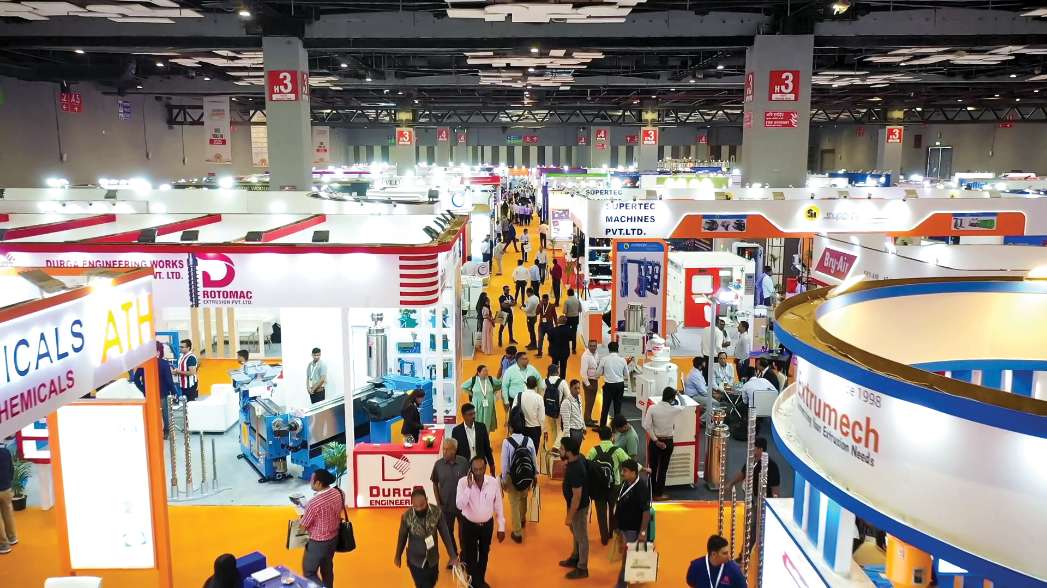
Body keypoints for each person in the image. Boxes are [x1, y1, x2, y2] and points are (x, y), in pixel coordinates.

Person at [456, 456, 506, 588]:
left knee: (484, 554)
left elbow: (499, 505)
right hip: (468, 525)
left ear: (485, 468)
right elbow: (460, 505)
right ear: (470, 470)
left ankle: (480, 580)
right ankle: (474, 583)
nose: (478, 472)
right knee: (470, 556)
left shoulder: (493, 483)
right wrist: (468, 487)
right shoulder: (462, 483)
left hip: (487, 526)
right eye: (475, 469)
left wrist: (501, 527)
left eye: (481, 469)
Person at [395, 487, 459, 588]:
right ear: (412, 504)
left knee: (432, 582)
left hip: (433, 559)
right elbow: (402, 537)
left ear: (427, 500)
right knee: (423, 585)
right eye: (416, 506)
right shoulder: (406, 517)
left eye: (422, 505)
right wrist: (398, 556)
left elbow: (445, 534)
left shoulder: (437, 512)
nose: (419, 508)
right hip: (415, 561)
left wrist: (452, 555)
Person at [586, 426, 630, 545]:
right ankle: (612, 533)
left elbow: (586, 464)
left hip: (598, 486)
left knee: (601, 512)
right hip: (614, 485)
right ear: (611, 436)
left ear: (599, 437)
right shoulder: (617, 450)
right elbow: (629, 462)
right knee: (614, 510)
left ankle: (604, 537)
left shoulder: (594, 450)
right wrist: (644, 469)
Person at [300, 469, 343, 588]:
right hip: (334, 539)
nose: (310, 482)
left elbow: (303, 526)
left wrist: (303, 515)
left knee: (309, 573)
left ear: (318, 483)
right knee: (327, 569)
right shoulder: (338, 493)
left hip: (318, 543)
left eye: (311, 480)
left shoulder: (313, 503)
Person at [613, 459, 652, 588]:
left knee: (627, 557)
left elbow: (646, 511)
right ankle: (634, 577)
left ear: (634, 473)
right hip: (623, 526)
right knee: (626, 555)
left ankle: (622, 584)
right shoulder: (625, 483)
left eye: (625, 471)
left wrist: (642, 532)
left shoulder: (641, 488)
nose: (622, 473)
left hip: (632, 529)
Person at [431, 438, 470, 564]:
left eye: (447, 449)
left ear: (454, 450)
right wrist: (438, 503)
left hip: (463, 506)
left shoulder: (464, 463)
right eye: (443, 449)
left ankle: (465, 554)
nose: (444, 452)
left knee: (464, 532)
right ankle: (454, 556)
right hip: (446, 507)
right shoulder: (438, 465)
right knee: (448, 533)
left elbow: (470, 482)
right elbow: (435, 483)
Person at [559, 437, 590, 579]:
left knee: (582, 537)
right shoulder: (578, 459)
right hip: (574, 506)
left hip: (578, 508)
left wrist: (569, 517)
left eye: (562, 448)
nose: (560, 450)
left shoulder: (575, 470)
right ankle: (575, 557)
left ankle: (582, 568)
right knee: (576, 532)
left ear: (569, 452)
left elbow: (577, 497)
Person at [500, 421, 537, 543]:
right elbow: (533, 459)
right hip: (526, 475)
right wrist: (534, 475)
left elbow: (505, 463)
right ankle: (522, 518)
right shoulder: (529, 440)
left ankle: (517, 532)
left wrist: (504, 479)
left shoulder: (507, 442)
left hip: (513, 477)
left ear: (511, 428)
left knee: (514, 503)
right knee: (523, 497)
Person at [643, 387, 683, 500]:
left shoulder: (652, 408)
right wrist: (679, 395)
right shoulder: (674, 409)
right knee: (663, 469)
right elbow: (684, 405)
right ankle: (659, 494)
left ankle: (650, 492)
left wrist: (656, 440)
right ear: (672, 398)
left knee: (652, 467)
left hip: (655, 442)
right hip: (668, 441)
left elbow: (646, 426)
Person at [597, 341, 636, 428]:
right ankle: (617, 427)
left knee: (605, 407)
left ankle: (602, 427)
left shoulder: (604, 359)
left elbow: (598, 373)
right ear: (617, 349)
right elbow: (626, 374)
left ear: (609, 349)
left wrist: (605, 373)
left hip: (609, 386)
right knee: (617, 407)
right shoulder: (622, 360)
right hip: (619, 385)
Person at [452, 404, 496, 476]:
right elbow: (455, 452)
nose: (473, 416)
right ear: (463, 416)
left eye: (474, 413)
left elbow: (487, 448)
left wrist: (492, 464)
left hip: (480, 465)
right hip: (465, 466)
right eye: (470, 414)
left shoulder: (482, 427)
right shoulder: (456, 431)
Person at [462, 366, 501, 433]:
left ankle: (486, 435)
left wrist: (493, 391)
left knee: (487, 421)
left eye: (487, 371)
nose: (486, 372)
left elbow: (500, 384)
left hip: (488, 406)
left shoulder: (490, 379)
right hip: (477, 405)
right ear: (478, 373)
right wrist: (472, 394)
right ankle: (477, 435)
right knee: (477, 420)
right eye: (484, 371)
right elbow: (463, 386)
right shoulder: (473, 379)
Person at [543, 363, 570, 452]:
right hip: (559, 411)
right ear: (557, 372)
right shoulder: (562, 382)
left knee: (553, 429)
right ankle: (556, 446)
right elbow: (568, 396)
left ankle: (555, 447)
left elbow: (541, 396)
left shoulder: (544, 382)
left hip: (547, 410)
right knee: (561, 429)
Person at [516, 376, 546, 451]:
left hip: (521, 428)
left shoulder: (519, 396)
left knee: (522, 451)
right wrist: (543, 430)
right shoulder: (539, 398)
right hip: (535, 430)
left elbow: (513, 411)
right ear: (536, 386)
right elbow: (541, 417)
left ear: (526, 385)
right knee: (533, 452)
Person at [580, 339, 600, 427]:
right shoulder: (585, 356)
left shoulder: (596, 354)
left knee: (592, 401)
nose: (593, 347)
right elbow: (583, 372)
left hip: (595, 380)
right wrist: (587, 384)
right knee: (588, 402)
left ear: (596, 346)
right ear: (588, 346)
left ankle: (589, 418)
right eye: (591, 346)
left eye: (594, 346)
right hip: (589, 381)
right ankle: (587, 420)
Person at [560, 379, 586, 447]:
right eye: (575, 388)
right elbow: (566, 422)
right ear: (570, 388)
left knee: (577, 451)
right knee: (571, 452)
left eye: (579, 388)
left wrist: (583, 426)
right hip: (572, 432)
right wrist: (567, 438)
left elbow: (580, 413)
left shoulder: (579, 398)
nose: (577, 390)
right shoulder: (566, 402)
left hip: (579, 431)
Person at [0, 444, 15, 555]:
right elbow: (11, 469)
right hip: (6, 488)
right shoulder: (5, 451)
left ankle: (3, 545)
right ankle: (12, 537)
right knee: (8, 513)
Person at [536, 293, 557, 358]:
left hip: (549, 325)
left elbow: (554, 315)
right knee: (540, 338)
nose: (544, 302)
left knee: (551, 339)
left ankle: (550, 352)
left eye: (545, 300)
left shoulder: (552, 306)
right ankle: (539, 352)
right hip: (541, 325)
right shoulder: (540, 305)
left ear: (548, 299)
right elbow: (536, 313)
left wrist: (556, 324)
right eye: (543, 300)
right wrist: (539, 306)